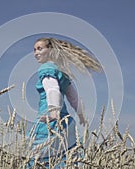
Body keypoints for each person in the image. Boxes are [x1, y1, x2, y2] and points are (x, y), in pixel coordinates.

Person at [27, 37, 102, 168]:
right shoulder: (62, 72)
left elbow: (52, 90)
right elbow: (74, 98)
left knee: (38, 158)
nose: (36, 53)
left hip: (49, 121)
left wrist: (53, 113)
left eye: (40, 48)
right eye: (34, 50)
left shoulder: (46, 69)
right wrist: (81, 116)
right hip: (67, 123)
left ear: (50, 50)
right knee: (64, 159)